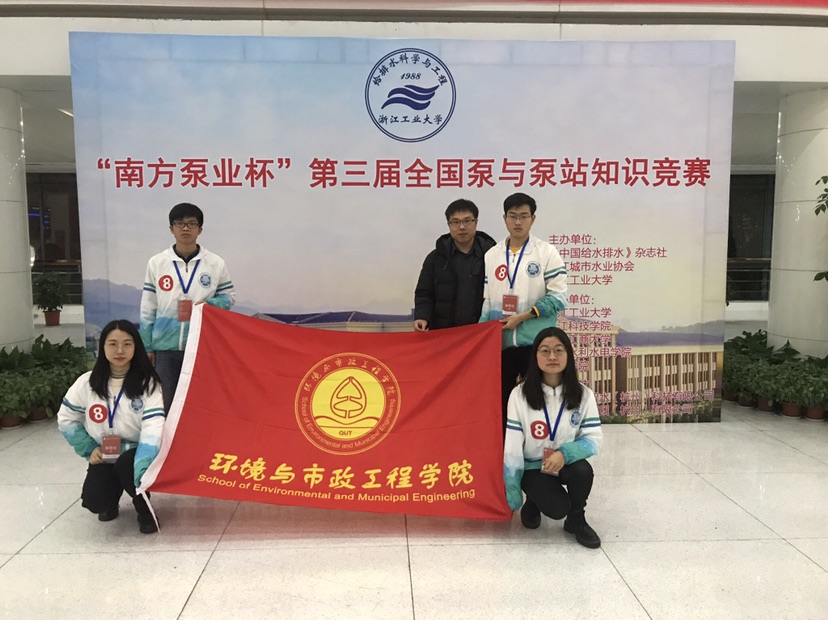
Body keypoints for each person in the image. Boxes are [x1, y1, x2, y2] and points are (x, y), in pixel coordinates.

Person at [57, 320, 165, 534]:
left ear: (136, 347)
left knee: (129, 467)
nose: (120, 351)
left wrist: (143, 463)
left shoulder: (148, 384)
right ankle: (111, 500)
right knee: (95, 501)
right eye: (113, 344)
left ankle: (144, 507)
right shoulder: (87, 383)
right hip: (105, 451)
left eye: (127, 344)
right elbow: (66, 418)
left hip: (137, 452)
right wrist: (89, 449)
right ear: (103, 347)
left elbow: (153, 428)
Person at [504, 327, 603, 548]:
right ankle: (533, 501)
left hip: (565, 462)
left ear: (568, 355)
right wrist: (513, 489)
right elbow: (512, 447)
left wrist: (564, 454)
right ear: (535, 356)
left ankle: (576, 520)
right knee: (557, 509)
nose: (552, 357)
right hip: (533, 466)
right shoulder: (519, 395)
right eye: (545, 351)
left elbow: (594, 439)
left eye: (559, 350)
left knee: (583, 471)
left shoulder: (584, 394)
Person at [479, 192, 568, 429]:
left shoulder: (546, 252)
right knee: (501, 403)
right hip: (501, 343)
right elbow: (487, 301)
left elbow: (559, 297)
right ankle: (504, 449)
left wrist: (525, 316)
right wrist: (481, 336)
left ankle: (540, 448)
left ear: (533, 218)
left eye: (523, 216)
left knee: (538, 401)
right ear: (504, 218)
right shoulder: (492, 255)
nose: (518, 222)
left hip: (536, 343)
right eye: (512, 216)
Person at [140, 203, 235, 413]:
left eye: (191, 224)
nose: (185, 228)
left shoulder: (215, 263)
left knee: (200, 403)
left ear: (199, 230)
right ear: (171, 229)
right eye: (179, 223)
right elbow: (148, 307)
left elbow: (229, 297)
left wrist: (208, 305)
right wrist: (147, 346)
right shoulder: (157, 263)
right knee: (166, 402)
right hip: (165, 347)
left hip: (201, 346)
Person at [413, 199, 496, 331]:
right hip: (445, 333)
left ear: (476, 222)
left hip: (481, 333)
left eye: (467, 221)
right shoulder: (435, 258)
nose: (461, 227)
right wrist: (422, 317)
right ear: (449, 224)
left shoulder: (493, 256)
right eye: (456, 222)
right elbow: (424, 293)